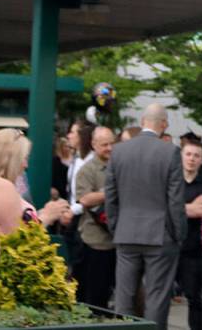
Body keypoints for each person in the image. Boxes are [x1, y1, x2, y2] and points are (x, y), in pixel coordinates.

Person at [0, 129, 69, 305]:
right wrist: (48, 217)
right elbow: (18, 239)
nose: (25, 164)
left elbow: (15, 225)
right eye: (23, 158)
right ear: (10, 159)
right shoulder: (0, 186)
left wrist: (41, 214)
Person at [105, 103, 185, 328]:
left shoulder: (119, 151)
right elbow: (175, 201)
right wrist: (179, 235)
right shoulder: (170, 152)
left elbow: (110, 196)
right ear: (164, 124)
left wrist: (116, 227)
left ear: (142, 122)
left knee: (124, 297)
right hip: (160, 235)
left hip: (126, 233)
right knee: (157, 299)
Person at [75, 127, 116, 309]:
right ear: (93, 145)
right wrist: (111, 192)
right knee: (94, 296)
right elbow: (85, 199)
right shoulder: (86, 171)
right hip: (95, 241)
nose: (109, 148)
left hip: (118, 241)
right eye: (104, 144)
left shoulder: (119, 166)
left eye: (112, 143)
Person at [178, 135, 202, 330]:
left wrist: (177, 208)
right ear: (182, 156)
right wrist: (190, 207)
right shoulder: (173, 183)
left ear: (201, 160)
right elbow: (164, 210)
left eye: (196, 155)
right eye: (188, 154)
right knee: (160, 295)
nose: (191, 159)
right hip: (170, 246)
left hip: (193, 249)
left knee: (194, 297)